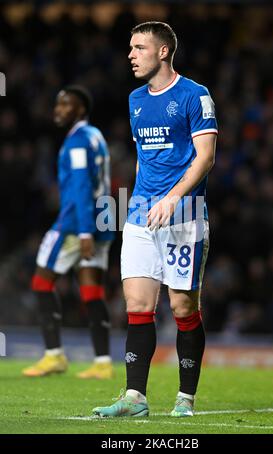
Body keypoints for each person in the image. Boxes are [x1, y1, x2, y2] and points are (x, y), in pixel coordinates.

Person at [93, 21, 217, 417]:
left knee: (182, 306)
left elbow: (206, 158)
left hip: (186, 216)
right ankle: (135, 398)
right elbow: (150, 160)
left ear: (163, 51)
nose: (131, 54)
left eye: (139, 47)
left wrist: (173, 198)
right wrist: (144, 203)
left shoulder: (196, 96)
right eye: (130, 47)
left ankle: (185, 398)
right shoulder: (135, 100)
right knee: (137, 304)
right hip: (141, 215)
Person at [23, 85, 115, 379]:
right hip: (104, 219)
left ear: (81, 110)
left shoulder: (77, 141)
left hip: (77, 223)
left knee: (41, 282)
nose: (58, 110)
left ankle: (54, 356)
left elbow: (81, 186)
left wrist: (85, 231)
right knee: (92, 291)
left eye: (66, 105)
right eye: (57, 104)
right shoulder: (97, 136)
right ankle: (103, 362)